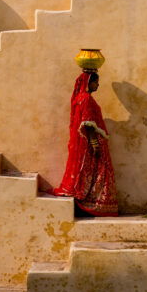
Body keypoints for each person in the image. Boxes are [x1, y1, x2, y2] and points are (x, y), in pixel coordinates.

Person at [53, 71, 118, 217]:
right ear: (89, 82)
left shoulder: (80, 98)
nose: (98, 85)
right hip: (91, 142)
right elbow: (87, 123)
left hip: (85, 142)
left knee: (89, 173)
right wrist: (94, 142)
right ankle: (92, 205)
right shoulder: (87, 99)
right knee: (96, 172)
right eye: (96, 81)